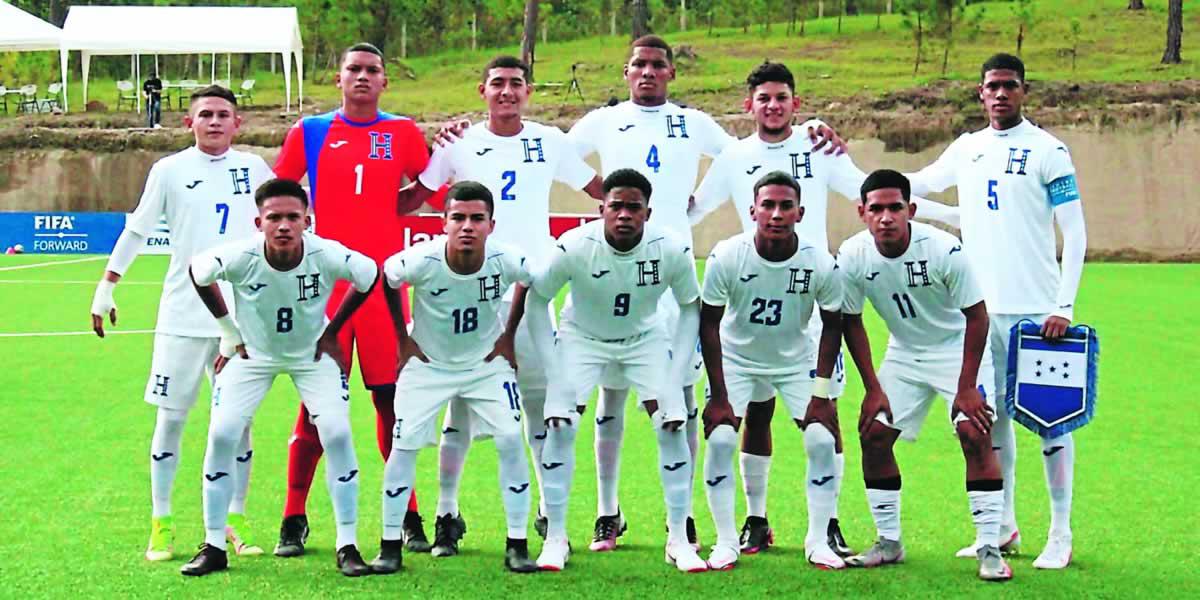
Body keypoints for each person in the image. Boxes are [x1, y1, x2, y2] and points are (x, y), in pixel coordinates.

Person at [688, 61, 959, 557]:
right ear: (749, 104)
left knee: (822, 416)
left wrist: (960, 217)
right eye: (764, 97)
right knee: (757, 417)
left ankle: (827, 525)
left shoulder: (818, 146)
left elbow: (874, 191)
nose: (773, 105)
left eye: (782, 97)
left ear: (796, 102)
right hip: (752, 301)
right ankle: (753, 521)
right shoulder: (732, 157)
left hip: (812, 302)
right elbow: (692, 209)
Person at [396, 55, 602, 554]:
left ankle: (551, 518)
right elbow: (410, 202)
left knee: (538, 408)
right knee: (459, 411)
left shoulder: (551, 140)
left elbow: (602, 192)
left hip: (531, 295)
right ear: (481, 90)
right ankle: (447, 514)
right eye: (497, 84)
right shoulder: (458, 143)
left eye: (515, 84)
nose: (507, 92)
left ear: (528, 91)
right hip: (470, 295)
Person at [905, 53, 1087, 569]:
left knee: (1053, 422)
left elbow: (1074, 233)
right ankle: (1003, 525)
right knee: (993, 418)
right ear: (980, 93)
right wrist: (847, 168)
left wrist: (1063, 306)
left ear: (1023, 91)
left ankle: (1060, 532)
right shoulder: (968, 149)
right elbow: (919, 183)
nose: (1000, 94)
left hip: (1038, 315)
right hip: (981, 314)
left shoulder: (1049, 150)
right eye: (992, 86)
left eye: (1009, 85)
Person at [89, 85, 273, 562]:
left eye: (223, 115)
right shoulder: (168, 171)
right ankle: (162, 522)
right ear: (188, 123)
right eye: (205, 115)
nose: (214, 122)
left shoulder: (254, 169)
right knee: (171, 421)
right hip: (182, 317)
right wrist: (107, 285)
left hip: (242, 320)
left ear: (238, 124)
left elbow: (283, 227)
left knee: (238, 424)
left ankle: (235, 519)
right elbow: (137, 229)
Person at [272, 42, 432, 555]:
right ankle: (293, 517)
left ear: (385, 81)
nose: (362, 77)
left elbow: (425, 190)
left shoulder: (402, 132)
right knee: (315, 406)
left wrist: (399, 206)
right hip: (328, 288)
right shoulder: (311, 132)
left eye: (372, 71)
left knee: (392, 402)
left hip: (385, 286)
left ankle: (405, 514)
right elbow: (281, 195)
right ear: (338, 78)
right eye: (353, 70)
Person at [181, 179, 376, 577]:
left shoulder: (324, 253)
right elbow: (198, 272)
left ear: (308, 220)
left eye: (293, 217)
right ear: (259, 222)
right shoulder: (242, 255)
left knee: (337, 433)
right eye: (274, 217)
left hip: (310, 354)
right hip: (253, 354)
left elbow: (369, 274)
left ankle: (348, 545)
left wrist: (333, 329)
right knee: (222, 434)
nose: (284, 225)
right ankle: (214, 544)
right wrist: (228, 331)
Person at [528, 169, 707, 573]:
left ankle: (679, 539)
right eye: (616, 206)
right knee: (559, 424)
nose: (624, 214)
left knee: (672, 423)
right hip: (583, 339)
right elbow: (537, 300)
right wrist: (554, 371)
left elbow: (690, 308)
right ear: (601, 209)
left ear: (647, 212)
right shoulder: (574, 245)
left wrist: (677, 376)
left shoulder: (671, 249)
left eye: (633, 207)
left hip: (644, 339)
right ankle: (556, 537)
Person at [838, 169, 1011, 581]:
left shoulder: (944, 250)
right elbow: (850, 320)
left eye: (895, 208)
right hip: (905, 352)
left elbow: (977, 317)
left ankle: (990, 547)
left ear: (910, 210)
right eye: (876, 209)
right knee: (874, 433)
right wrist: (872, 388)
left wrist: (967, 387)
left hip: (959, 350)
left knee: (974, 432)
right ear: (862, 212)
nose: (885, 217)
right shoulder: (853, 254)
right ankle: (889, 542)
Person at [372, 181, 545, 574]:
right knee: (404, 445)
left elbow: (529, 280)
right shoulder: (422, 259)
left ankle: (517, 543)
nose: (467, 226)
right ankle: (388, 547)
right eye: (458, 218)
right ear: (444, 222)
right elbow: (387, 277)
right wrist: (403, 339)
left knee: (509, 439)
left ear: (491, 224)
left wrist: (508, 334)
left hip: (485, 364)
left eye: (477, 219)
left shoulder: (507, 258)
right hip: (428, 364)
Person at [698, 171, 844, 571]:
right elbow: (708, 323)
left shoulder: (818, 261)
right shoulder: (728, 255)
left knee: (819, 440)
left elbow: (833, 324)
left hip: (794, 361)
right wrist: (719, 395)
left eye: (785, 206)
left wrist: (821, 392)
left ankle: (818, 540)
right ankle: (727, 541)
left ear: (800, 212)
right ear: (753, 210)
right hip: (737, 361)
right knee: (723, 440)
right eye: (768, 205)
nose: (776, 214)